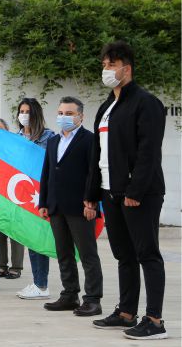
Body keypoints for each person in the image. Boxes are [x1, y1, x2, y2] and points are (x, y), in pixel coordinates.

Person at [85, 41, 168, 340]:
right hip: (110, 191)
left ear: (126, 68)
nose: (106, 70)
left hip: (138, 193)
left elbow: (149, 152)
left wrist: (136, 190)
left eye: (111, 65)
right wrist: (92, 194)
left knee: (147, 254)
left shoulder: (146, 103)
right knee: (124, 255)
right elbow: (98, 152)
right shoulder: (107, 107)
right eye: (104, 64)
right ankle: (126, 312)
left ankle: (155, 321)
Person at [39, 97, 103, 316]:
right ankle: (69, 295)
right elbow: (46, 172)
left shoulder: (89, 140)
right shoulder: (54, 141)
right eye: (61, 113)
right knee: (64, 253)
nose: (63, 117)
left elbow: (94, 173)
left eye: (69, 113)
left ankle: (93, 299)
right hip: (56, 206)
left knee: (87, 254)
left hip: (81, 207)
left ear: (80, 116)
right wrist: (43, 202)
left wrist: (92, 201)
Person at [15, 98, 56, 300]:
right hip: (22, 196)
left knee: (39, 240)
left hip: (40, 195)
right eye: (21, 111)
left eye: (28, 111)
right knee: (29, 239)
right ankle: (38, 282)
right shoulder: (16, 138)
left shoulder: (49, 137)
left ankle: (42, 284)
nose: (24, 115)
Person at [0, 118, 24, 279]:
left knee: (16, 232)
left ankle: (16, 267)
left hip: (14, 194)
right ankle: (1, 265)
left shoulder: (15, 147)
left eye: (1, 129)